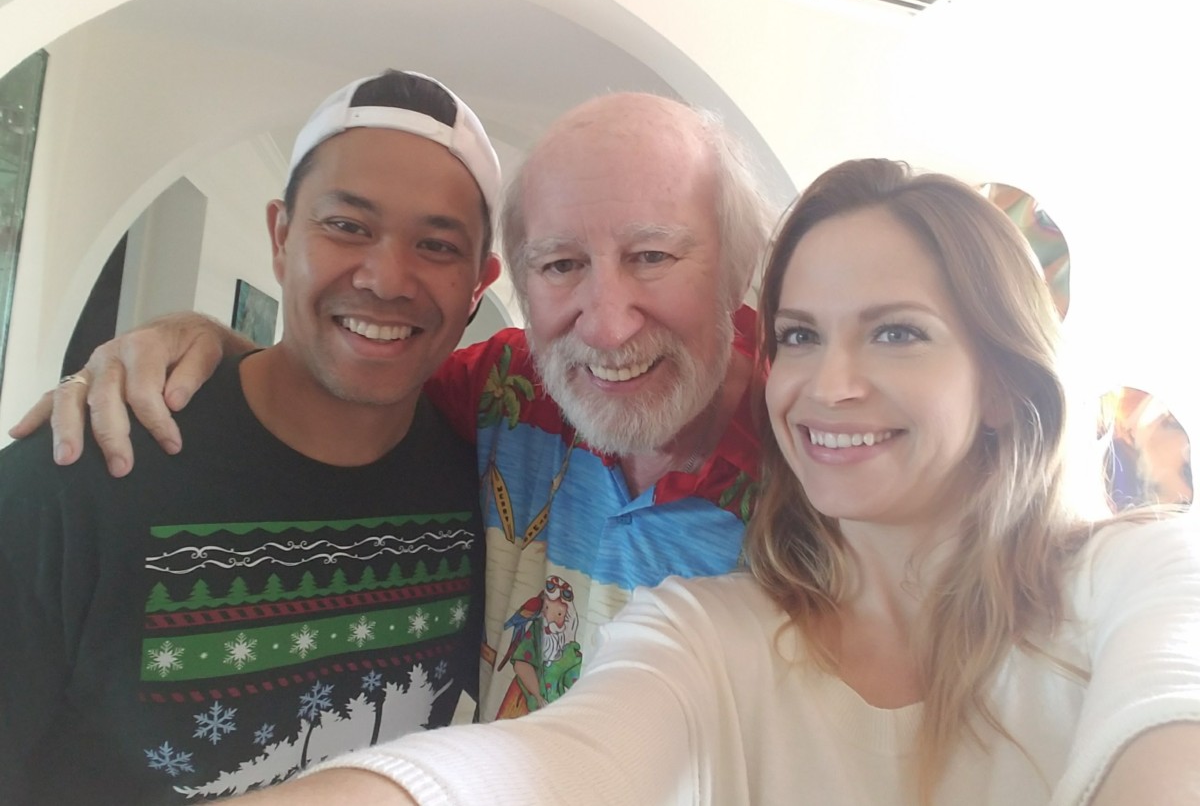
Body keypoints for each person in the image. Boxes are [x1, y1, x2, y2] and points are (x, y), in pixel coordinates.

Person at [232, 158, 1200, 805]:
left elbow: (1170, 708)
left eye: (898, 332)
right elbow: (543, 765)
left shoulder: (1141, 575)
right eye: (801, 335)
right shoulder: (706, 627)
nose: (830, 384)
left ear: (1003, 382)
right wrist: (217, 370)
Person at [14, 92, 777, 723]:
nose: (607, 326)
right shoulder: (511, 390)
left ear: (736, 264)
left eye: (653, 255)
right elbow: (351, 382)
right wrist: (200, 345)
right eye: (560, 263)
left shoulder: (809, 461)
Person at [0, 69, 503, 803]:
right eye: (348, 226)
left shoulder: (484, 496)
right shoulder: (71, 479)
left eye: (437, 245)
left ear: (480, 284)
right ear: (281, 235)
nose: (387, 278)